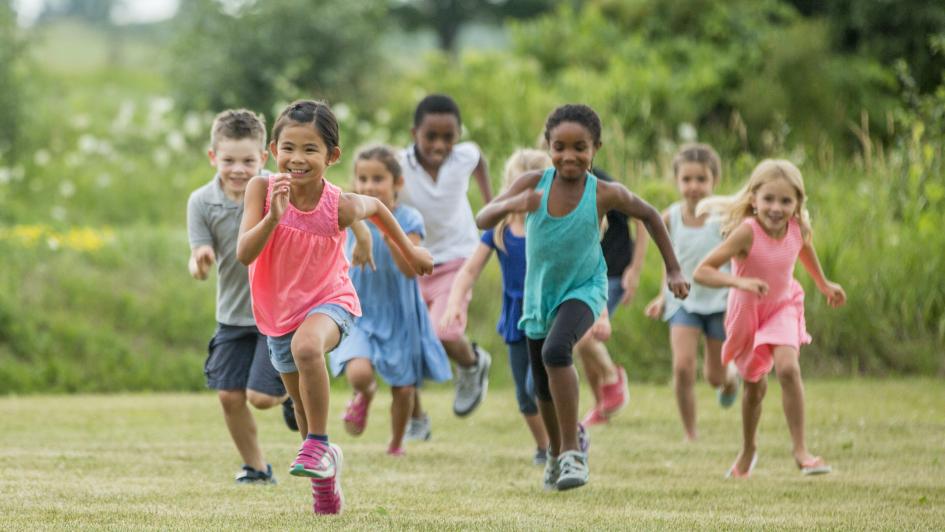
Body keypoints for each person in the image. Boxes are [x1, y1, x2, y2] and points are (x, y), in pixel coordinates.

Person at [476, 104, 689, 491]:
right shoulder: (531, 183)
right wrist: (512, 205)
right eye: (560, 147)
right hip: (539, 296)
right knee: (540, 385)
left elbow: (651, 215)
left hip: (586, 289)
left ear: (596, 148)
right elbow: (483, 219)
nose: (569, 156)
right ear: (548, 145)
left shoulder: (604, 193)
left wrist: (673, 269)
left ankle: (574, 451)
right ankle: (556, 456)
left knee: (556, 352)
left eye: (580, 147)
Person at [237, 100, 433, 515]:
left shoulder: (338, 204)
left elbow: (378, 209)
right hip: (278, 313)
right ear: (274, 149)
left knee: (307, 349)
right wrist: (273, 218)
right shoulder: (261, 189)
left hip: (331, 302)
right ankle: (325, 479)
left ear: (332, 156)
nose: (298, 159)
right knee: (303, 411)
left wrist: (411, 255)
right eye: (289, 147)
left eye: (311, 149)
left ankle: (322, 443)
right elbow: (244, 254)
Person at [693, 159, 846, 478]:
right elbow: (702, 271)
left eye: (786, 201)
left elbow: (803, 251)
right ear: (754, 199)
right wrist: (740, 282)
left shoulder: (798, 228)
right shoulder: (745, 234)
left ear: (797, 203)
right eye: (769, 199)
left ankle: (802, 452)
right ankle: (748, 449)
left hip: (783, 306)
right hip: (748, 314)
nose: (776, 208)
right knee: (755, 389)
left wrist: (824, 284)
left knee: (789, 369)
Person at [186, 109, 294, 485]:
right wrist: (200, 263)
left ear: (264, 157)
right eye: (228, 160)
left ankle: (292, 392)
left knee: (261, 398)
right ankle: (257, 469)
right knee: (230, 397)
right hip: (232, 315)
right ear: (213, 157)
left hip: (276, 313)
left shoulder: (279, 191)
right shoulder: (201, 202)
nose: (238, 169)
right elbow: (198, 264)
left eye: (247, 160)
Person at [329, 144, 452, 457]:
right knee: (358, 372)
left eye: (378, 179)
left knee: (404, 386)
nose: (369, 187)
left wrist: (388, 233)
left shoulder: (408, 218)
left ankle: (396, 443)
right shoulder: (350, 214)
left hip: (399, 311)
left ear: (397, 183)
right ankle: (365, 394)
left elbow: (410, 272)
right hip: (358, 309)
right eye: (363, 179)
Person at [441, 148, 552, 465]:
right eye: (521, 185)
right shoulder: (500, 228)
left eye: (537, 185)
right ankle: (545, 447)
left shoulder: (551, 224)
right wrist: (454, 302)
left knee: (539, 385)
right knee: (524, 394)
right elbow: (469, 270)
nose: (529, 194)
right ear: (509, 187)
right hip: (516, 317)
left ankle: (568, 436)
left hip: (549, 314)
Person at [398, 94, 493, 440]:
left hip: (458, 257)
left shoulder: (464, 155)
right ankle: (415, 419)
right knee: (406, 342)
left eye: (448, 137)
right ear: (414, 133)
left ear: (458, 134)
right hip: (413, 260)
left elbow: (478, 157)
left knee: (445, 331)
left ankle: (470, 364)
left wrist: (490, 204)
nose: (440, 145)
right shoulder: (399, 165)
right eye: (431, 137)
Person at [643, 143, 739, 441]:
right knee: (682, 367)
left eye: (701, 179)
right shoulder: (669, 217)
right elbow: (671, 262)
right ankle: (690, 432)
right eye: (687, 179)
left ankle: (730, 379)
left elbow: (739, 257)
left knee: (714, 376)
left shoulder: (724, 218)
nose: (694, 186)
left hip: (720, 301)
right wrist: (662, 296)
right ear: (677, 181)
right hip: (682, 301)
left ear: (714, 182)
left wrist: (741, 292)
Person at [575, 166, 646, 427]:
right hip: (580, 272)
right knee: (581, 343)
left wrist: (635, 270)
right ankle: (601, 407)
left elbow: (640, 218)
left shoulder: (600, 182)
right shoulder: (553, 186)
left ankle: (611, 376)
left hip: (612, 271)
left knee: (583, 336)